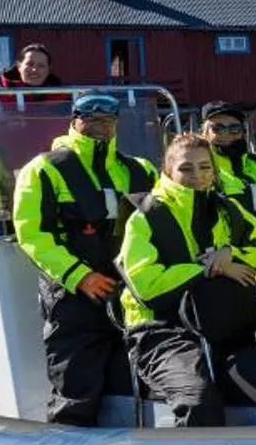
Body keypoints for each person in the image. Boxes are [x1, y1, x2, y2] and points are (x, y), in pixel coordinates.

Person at [119, 134, 256, 424]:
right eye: (186, 169)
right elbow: (146, 283)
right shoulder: (144, 217)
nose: (197, 176)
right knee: (197, 399)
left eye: (205, 167)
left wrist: (231, 253)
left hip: (225, 324)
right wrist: (208, 268)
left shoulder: (230, 210)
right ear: (167, 171)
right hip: (160, 331)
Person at [12, 89, 159, 425]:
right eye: (89, 119)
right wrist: (80, 276)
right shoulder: (43, 170)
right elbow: (32, 234)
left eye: (106, 120)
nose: (98, 126)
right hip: (74, 293)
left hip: (130, 289)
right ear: (73, 122)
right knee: (76, 382)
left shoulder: (140, 170)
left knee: (135, 372)